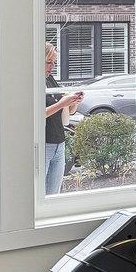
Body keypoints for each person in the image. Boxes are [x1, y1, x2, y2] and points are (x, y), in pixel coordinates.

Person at [43, 42, 84, 194]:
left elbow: (68, 111)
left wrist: (74, 102)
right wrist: (62, 103)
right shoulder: (33, 82)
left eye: (53, 62)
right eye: (48, 62)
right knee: (41, 194)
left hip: (59, 143)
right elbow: (37, 115)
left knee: (54, 193)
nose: (51, 66)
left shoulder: (50, 79)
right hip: (44, 144)